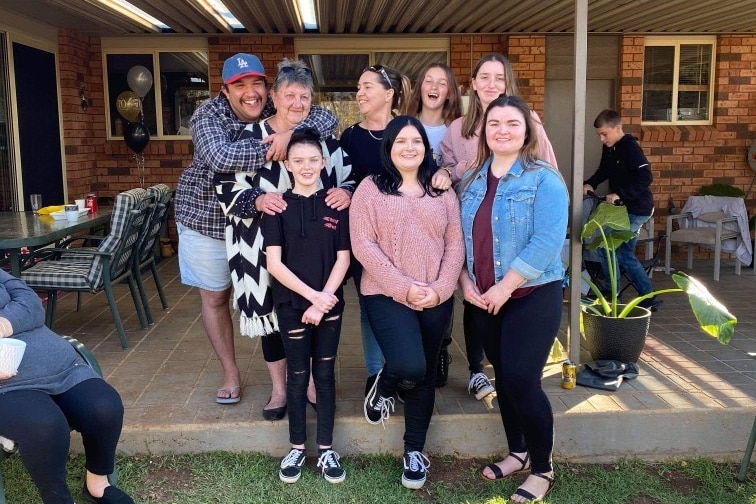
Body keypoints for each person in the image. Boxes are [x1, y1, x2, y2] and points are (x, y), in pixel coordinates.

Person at [174, 53, 337, 406]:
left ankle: (292, 383)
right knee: (216, 297)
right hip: (208, 219)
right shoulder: (208, 114)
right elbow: (218, 159)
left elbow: (325, 116)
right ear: (225, 90)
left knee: (281, 302)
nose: (251, 92)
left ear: (268, 89)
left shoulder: (275, 110)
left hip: (266, 228)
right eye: (240, 85)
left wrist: (291, 134)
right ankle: (231, 372)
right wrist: (271, 147)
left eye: (257, 83)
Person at [213, 58, 352, 419]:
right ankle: (279, 389)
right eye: (289, 95)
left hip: (312, 251)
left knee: (306, 310)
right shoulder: (248, 138)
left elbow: (347, 176)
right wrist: (257, 199)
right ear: (274, 96)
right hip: (258, 243)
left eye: (304, 96)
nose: (297, 103)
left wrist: (347, 193)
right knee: (272, 316)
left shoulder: (322, 141)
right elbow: (224, 187)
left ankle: (305, 383)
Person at [458, 95, 567, 503]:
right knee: (504, 378)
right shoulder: (470, 181)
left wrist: (505, 288)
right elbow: (461, 240)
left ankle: (543, 468)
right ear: (484, 131)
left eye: (512, 123)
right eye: (494, 123)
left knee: (522, 378)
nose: (502, 130)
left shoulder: (544, 179)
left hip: (530, 295)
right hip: (484, 298)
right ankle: (518, 452)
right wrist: (466, 284)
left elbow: (547, 241)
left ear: (527, 131)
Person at [350, 115, 464, 489]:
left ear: (425, 148)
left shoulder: (441, 191)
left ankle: (414, 452)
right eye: (400, 141)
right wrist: (404, 287)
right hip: (385, 293)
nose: (409, 147)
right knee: (410, 366)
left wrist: (442, 288)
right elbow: (363, 246)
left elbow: (454, 244)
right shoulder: (370, 189)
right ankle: (384, 385)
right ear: (389, 147)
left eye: (415, 141)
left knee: (426, 375)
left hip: (436, 295)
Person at [438, 53, 558, 401]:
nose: (492, 84)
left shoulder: (527, 119)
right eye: (484, 77)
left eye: (499, 78)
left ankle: (516, 379)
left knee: (513, 304)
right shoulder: (457, 129)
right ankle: (477, 369)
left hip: (515, 228)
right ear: (472, 84)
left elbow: (545, 166)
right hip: (474, 229)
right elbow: (445, 173)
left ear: (509, 84)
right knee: (476, 302)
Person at [262, 129, 351, 485]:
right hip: (292, 306)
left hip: (330, 304)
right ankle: (297, 446)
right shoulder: (277, 207)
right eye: (298, 160)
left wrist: (325, 299)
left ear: (324, 162)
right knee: (298, 377)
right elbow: (274, 264)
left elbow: (343, 259)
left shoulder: (335, 204)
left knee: (325, 377)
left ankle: (327, 448)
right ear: (287, 164)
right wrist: (313, 299)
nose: (306, 166)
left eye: (313, 160)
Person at [0, 270, 135, 504]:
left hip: (62, 367)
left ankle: (97, 483)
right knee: (44, 425)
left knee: (105, 406)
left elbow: (31, 303)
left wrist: (4, 325)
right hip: (10, 386)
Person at [339, 65, 411, 397]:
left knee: (405, 301)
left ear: (389, 93)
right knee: (370, 303)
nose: (360, 93)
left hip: (406, 239)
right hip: (364, 239)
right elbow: (341, 183)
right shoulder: (351, 137)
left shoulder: (408, 131)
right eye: (358, 86)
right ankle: (375, 374)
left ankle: (402, 366)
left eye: (367, 86)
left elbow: (424, 172)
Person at [404, 62, 462, 387]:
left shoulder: (457, 129)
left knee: (445, 281)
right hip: (410, 219)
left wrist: (449, 173)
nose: (435, 86)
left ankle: (441, 347)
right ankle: (412, 352)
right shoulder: (408, 125)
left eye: (442, 82)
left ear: (450, 91)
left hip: (444, 218)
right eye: (429, 80)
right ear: (420, 87)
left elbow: (465, 165)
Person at [582, 109, 658, 309]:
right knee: (624, 254)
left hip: (637, 209)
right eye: (599, 134)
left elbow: (646, 177)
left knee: (604, 244)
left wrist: (621, 194)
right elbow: (604, 170)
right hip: (623, 210)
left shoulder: (629, 148)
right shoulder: (610, 148)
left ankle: (611, 292)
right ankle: (649, 298)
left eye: (604, 134)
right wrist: (590, 183)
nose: (601, 138)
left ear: (617, 128)